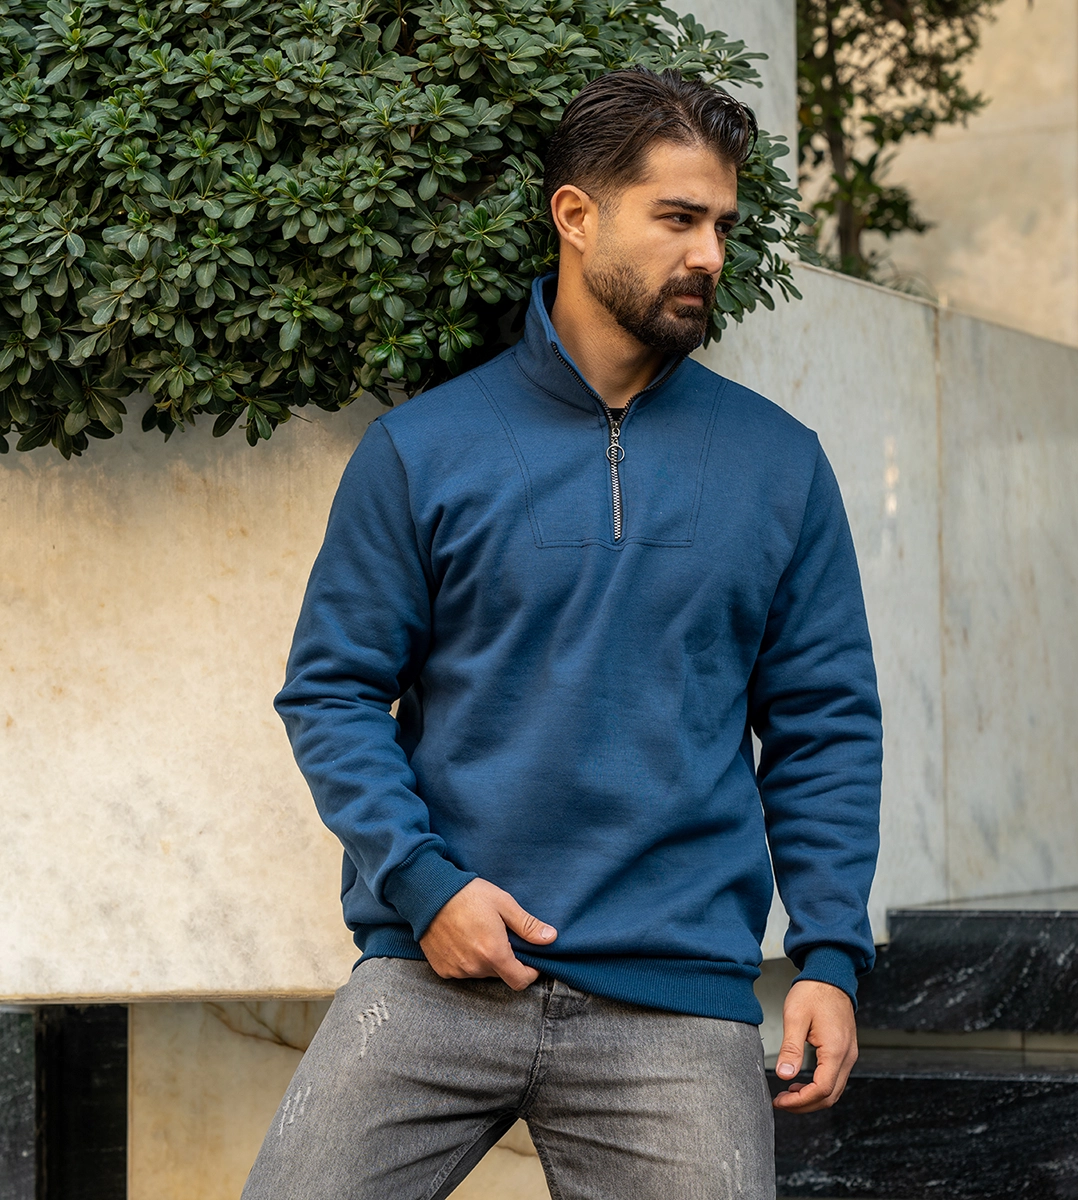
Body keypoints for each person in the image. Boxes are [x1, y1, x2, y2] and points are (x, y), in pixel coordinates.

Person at [243, 66, 882, 1200]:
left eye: (723, 225)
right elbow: (331, 692)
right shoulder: (423, 450)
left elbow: (824, 725)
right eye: (677, 218)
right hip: (438, 971)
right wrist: (426, 886)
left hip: (674, 1002)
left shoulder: (780, 465)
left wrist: (829, 953)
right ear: (576, 216)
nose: (710, 254)